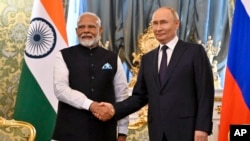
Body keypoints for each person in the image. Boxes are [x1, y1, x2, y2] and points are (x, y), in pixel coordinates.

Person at [98, 7, 215, 141]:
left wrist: (202, 128)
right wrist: (114, 109)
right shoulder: (148, 59)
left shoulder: (194, 52)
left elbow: (205, 92)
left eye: (163, 22)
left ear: (177, 24)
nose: (158, 28)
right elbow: (139, 97)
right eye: (155, 23)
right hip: (157, 132)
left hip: (187, 130)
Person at [52, 12, 129, 141]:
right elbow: (60, 89)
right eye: (81, 27)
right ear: (76, 31)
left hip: (104, 133)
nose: (86, 31)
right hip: (69, 132)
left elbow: (121, 96)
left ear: (100, 30)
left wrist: (122, 132)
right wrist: (91, 105)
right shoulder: (63, 55)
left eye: (91, 27)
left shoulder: (113, 58)